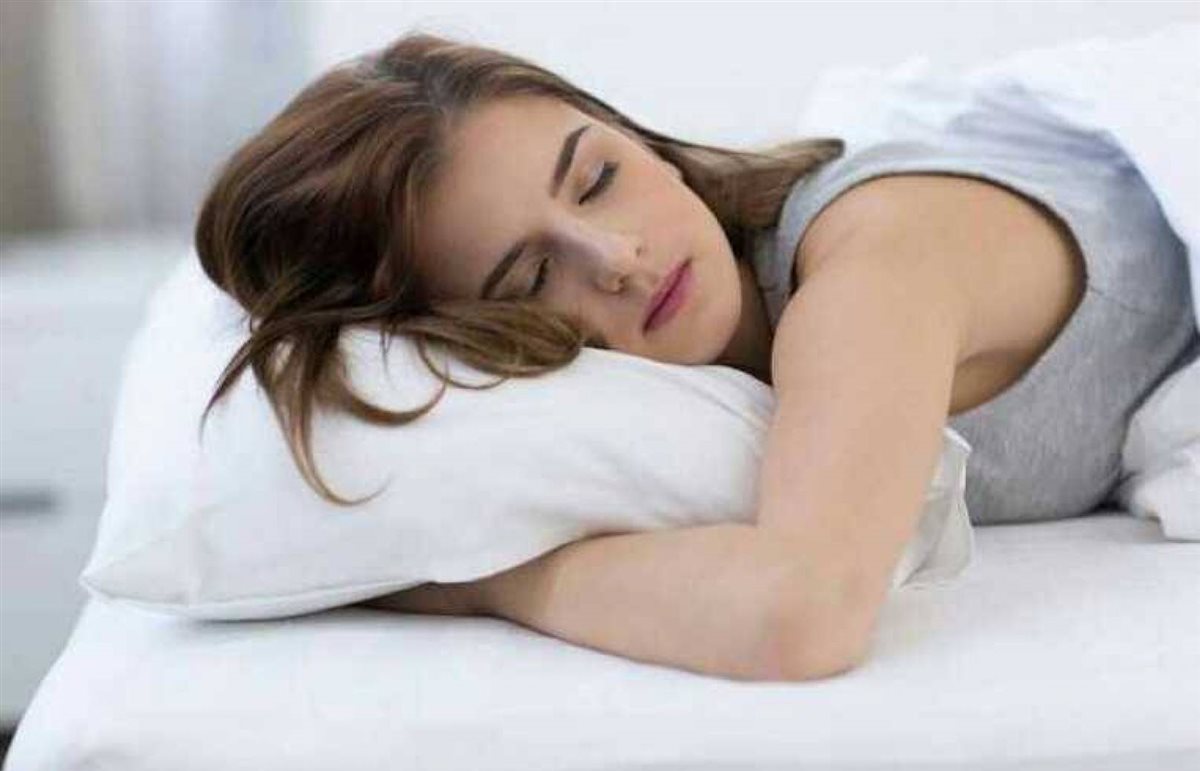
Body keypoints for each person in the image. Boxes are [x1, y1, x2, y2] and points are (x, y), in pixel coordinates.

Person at [195, 32, 1198, 681]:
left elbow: (800, 614)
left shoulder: (868, 277)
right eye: (531, 279)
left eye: (598, 177)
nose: (618, 259)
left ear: (637, 138)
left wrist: (478, 581)